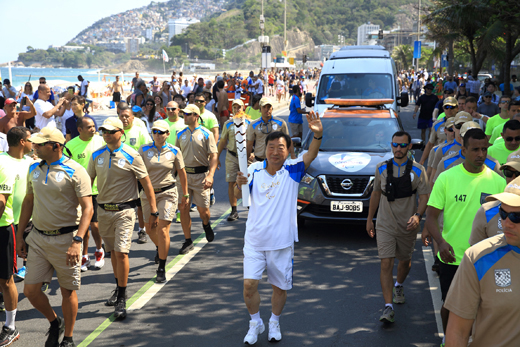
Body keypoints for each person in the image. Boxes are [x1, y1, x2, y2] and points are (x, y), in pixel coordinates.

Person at [235, 111, 323, 344]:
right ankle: (255, 322)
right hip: (254, 241)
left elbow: (311, 155)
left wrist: (318, 135)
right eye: (271, 147)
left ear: (288, 150)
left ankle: (274, 320)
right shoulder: (253, 170)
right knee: (248, 285)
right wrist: (238, 185)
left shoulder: (293, 170)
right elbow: (239, 196)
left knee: (279, 288)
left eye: (280, 147)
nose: (275, 152)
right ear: (265, 149)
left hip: (281, 243)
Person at [423, 128, 506, 343]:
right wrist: (440, 242)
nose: (481, 154)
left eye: (484, 149)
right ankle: (447, 340)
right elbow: (430, 217)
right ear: (464, 150)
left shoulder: (498, 182)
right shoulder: (447, 178)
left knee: (480, 310)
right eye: (475, 149)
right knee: (449, 308)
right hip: (452, 258)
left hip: (485, 260)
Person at [16, 127, 93, 347]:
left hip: (66, 239)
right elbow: (28, 203)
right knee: (30, 290)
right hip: (38, 238)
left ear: (56, 146)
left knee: (67, 291)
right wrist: (21, 236)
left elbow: (88, 208)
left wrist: (78, 241)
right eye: (35, 144)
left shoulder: (76, 171)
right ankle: (54, 321)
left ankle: (68, 337)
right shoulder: (34, 168)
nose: (35, 147)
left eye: (40, 144)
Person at [87, 117, 157, 320]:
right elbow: (88, 182)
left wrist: (153, 211)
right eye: (103, 130)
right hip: (103, 212)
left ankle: (122, 297)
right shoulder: (97, 155)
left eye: (110, 130)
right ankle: (119, 289)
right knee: (113, 254)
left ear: (120, 132)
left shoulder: (132, 155)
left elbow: (147, 183)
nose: (106, 133)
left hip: (125, 211)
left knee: (122, 253)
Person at [444, 176, 520, 346]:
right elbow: (458, 332)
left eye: (516, 216)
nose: (506, 223)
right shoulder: (478, 258)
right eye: (503, 213)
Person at [366, 131, 429, 324]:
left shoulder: (418, 171)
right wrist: (370, 219)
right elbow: (376, 193)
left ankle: (399, 285)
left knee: (405, 261)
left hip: (407, 226)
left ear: (409, 147)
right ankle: (388, 307)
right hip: (385, 224)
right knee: (386, 263)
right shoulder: (381, 168)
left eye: (402, 145)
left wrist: (418, 216)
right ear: (391, 145)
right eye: (395, 145)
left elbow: (425, 196)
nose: (398, 149)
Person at [138, 120, 188, 283]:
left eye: (161, 132)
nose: (158, 135)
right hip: (148, 194)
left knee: (163, 228)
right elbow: (137, 173)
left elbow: (181, 172)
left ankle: (161, 267)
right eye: (155, 132)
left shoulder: (174, 150)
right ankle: (160, 248)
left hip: (168, 192)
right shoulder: (144, 150)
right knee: (149, 227)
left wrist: (185, 194)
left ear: (167, 134)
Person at [0, 128, 32, 346]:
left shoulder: (31, 163)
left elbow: (2, 201)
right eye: (31, 140)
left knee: (6, 277)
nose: (33, 143)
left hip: (16, 223)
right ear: (22, 141)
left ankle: (10, 326)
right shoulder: (3, 162)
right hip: (11, 224)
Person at [176, 104, 217, 254]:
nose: (184, 116)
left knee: (203, 211)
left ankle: (206, 224)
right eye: (184, 114)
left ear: (196, 116)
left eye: (187, 114)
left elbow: (214, 155)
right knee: (184, 208)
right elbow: (176, 155)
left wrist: (211, 175)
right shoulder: (180, 134)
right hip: (184, 177)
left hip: (201, 177)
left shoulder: (207, 134)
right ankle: (188, 240)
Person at [66, 117, 106, 271]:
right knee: (83, 226)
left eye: (93, 126)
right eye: (89, 127)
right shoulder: (70, 145)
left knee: (95, 225)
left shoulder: (100, 141)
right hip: (77, 191)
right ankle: (84, 256)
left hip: (96, 190)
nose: (93, 129)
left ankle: (98, 250)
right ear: (79, 130)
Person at [469, 152, 520, 246]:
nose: (513, 178)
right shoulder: (487, 210)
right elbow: (476, 254)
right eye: (508, 173)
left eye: (518, 174)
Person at [118, 106, 152, 243]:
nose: (124, 119)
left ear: (133, 118)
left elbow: (148, 149)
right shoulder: (116, 132)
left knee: (140, 205)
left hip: (136, 175)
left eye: (127, 116)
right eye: (122, 116)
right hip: (119, 176)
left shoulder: (139, 131)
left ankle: (141, 230)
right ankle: (118, 234)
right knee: (119, 205)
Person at [433, 122, 501, 182]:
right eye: (465, 137)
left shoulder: (494, 164)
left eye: (475, 136)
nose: (470, 140)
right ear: (459, 138)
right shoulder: (445, 162)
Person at [217, 100, 249, 222]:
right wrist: (217, 158)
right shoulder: (228, 124)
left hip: (246, 156)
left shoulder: (250, 123)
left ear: (243, 108)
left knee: (248, 180)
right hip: (232, 156)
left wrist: (252, 153)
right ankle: (234, 210)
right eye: (234, 107)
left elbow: (255, 140)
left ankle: (251, 206)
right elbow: (223, 141)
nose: (237, 110)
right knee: (231, 182)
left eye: (239, 107)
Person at [429, 112, 473, 182]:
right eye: (458, 126)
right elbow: (433, 181)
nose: (462, 129)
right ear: (453, 128)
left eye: (465, 126)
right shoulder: (441, 150)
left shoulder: (481, 151)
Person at [247, 98, 292, 162]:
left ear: (272, 108)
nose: (266, 109)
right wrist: (246, 161)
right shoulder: (253, 125)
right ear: (260, 108)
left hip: (276, 161)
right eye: (264, 107)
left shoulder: (281, 123)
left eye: (269, 107)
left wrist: (292, 157)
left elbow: (288, 141)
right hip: (259, 161)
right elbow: (249, 144)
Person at [419, 97, 458, 165]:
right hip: (441, 161)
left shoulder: (463, 123)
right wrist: (421, 162)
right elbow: (430, 144)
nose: (449, 109)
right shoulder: (437, 124)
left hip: (458, 161)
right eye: (446, 107)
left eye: (452, 107)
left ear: (457, 108)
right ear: (443, 109)